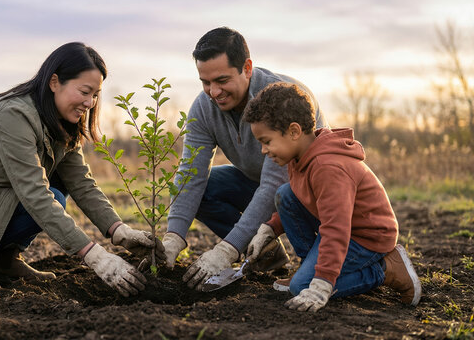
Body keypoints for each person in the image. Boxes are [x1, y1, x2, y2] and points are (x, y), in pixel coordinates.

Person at [0, 42, 164, 297]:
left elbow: (82, 183)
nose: (90, 102)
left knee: (61, 186)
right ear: (54, 82)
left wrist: (120, 232)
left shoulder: (63, 124)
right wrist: (94, 256)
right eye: (84, 92)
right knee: (52, 196)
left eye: (95, 95)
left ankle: (3, 260)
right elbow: (34, 193)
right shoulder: (14, 116)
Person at [161, 27, 328, 290]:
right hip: (258, 184)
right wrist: (174, 236)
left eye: (222, 80)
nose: (214, 92)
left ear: (247, 68)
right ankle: (264, 252)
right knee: (206, 184)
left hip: (305, 195)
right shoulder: (204, 109)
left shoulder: (283, 99)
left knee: (305, 282)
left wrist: (227, 249)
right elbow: (190, 174)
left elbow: (275, 184)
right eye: (205, 82)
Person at [243, 82, 422, 312]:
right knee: (285, 194)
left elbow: (336, 229)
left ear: (294, 131)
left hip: (367, 236)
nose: (263, 150)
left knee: (302, 287)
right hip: (345, 228)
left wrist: (321, 283)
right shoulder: (299, 157)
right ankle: (311, 268)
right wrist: (270, 229)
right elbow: (302, 199)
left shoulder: (328, 167)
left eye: (267, 141)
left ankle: (386, 269)